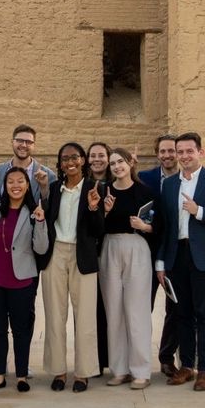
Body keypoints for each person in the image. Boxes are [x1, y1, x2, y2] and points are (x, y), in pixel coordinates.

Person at [152, 132, 205, 391]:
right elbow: (165, 227)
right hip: (177, 256)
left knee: (204, 314)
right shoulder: (170, 185)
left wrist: (198, 211)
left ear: (201, 152)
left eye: (190, 151)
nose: (184, 156)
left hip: (204, 257)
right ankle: (186, 366)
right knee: (182, 314)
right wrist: (161, 263)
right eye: (180, 152)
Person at [40, 142, 105, 392]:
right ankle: (58, 371)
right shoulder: (54, 188)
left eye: (74, 157)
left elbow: (99, 229)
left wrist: (92, 207)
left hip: (83, 256)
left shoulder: (95, 187)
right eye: (65, 158)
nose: (70, 162)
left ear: (83, 160)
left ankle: (83, 372)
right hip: (56, 254)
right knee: (55, 315)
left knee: (85, 316)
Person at [0, 167, 49, 392]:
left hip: (22, 281)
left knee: (21, 330)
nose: (15, 185)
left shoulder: (33, 211)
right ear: (4, 185)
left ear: (27, 185)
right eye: (10, 181)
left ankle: (21, 375)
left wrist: (40, 222)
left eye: (20, 181)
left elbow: (41, 248)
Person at [98, 147, 155, 388]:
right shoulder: (104, 191)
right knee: (114, 310)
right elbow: (94, 226)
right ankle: (119, 368)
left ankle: (141, 370)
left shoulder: (144, 191)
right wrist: (105, 211)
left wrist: (145, 227)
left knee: (137, 310)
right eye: (112, 163)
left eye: (120, 161)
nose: (117, 166)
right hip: (110, 247)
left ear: (130, 163)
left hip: (137, 247)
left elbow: (157, 225)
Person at [138, 134, 182, 377]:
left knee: (174, 308)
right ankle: (139, 357)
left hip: (174, 253)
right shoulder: (145, 178)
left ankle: (166, 357)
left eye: (172, 151)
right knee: (143, 306)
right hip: (148, 251)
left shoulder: (185, 180)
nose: (167, 155)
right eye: (163, 151)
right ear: (157, 154)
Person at [86, 140, 111, 376]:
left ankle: (108, 358)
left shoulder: (115, 185)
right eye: (92, 155)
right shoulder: (82, 185)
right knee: (90, 311)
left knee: (107, 308)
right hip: (87, 253)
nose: (97, 159)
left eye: (101, 155)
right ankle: (93, 361)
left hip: (109, 250)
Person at [0, 124, 55, 205]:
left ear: (34, 145)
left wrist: (44, 189)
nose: (24, 145)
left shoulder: (48, 175)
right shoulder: (0, 170)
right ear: (12, 142)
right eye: (20, 140)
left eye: (29, 142)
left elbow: (50, 209)